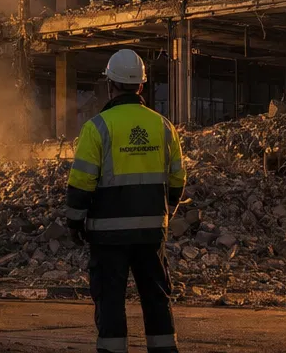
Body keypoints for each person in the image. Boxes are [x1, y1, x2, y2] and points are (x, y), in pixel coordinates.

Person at [66, 49, 186, 353]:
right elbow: (177, 179)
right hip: (151, 233)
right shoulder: (163, 126)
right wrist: (165, 212)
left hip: (108, 236)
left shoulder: (97, 127)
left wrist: (75, 223)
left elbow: (81, 183)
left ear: (111, 84)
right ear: (141, 86)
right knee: (156, 296)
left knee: (110, 299)